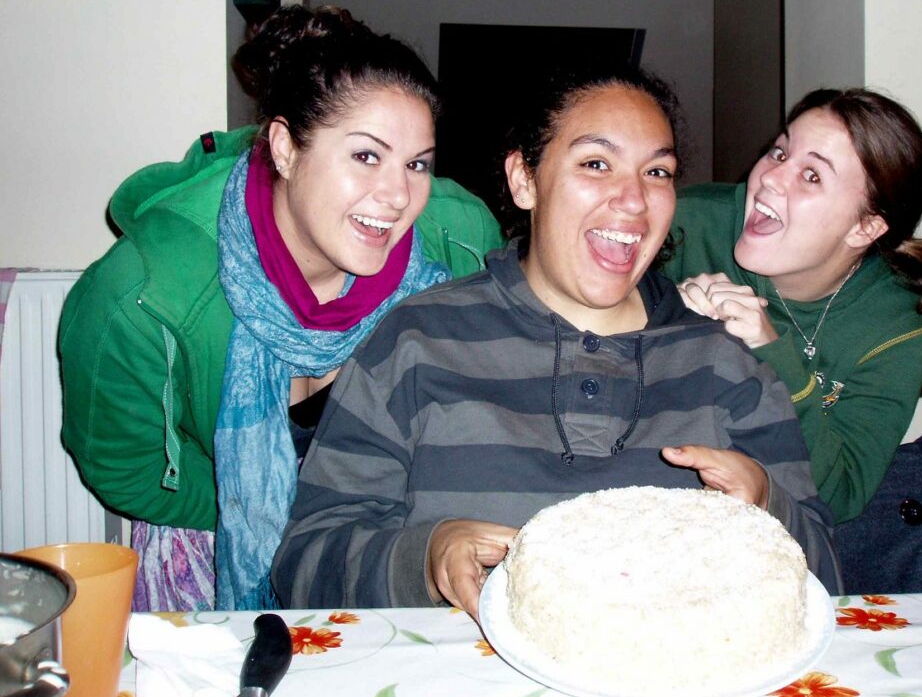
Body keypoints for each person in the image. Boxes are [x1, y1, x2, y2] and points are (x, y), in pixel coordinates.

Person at [271, 64, 842, 617]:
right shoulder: (415, 342)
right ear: (525, 179)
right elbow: (304, 566)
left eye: (657, 172)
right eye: (596, 164)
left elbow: (831, 588)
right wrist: (424, 560)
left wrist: (767, 504)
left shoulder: (726, 366)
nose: (634, 199)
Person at [58, 6, 505, 611]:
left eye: (417, 163)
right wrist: (264, 507)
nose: (399, 196)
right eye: (366, 156)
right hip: (216, 550)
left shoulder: (459, 245)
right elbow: (126, 472)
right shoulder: (143, 296)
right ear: (286, 148)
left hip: (391, 537)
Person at [664, 88, 922, 524]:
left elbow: (840, 497)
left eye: (811, 176)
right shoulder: (682, 224)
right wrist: (659, 315)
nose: (770, 178)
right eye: (779, 152)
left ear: (865, 227)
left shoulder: (897, 325)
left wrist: (772, 354)